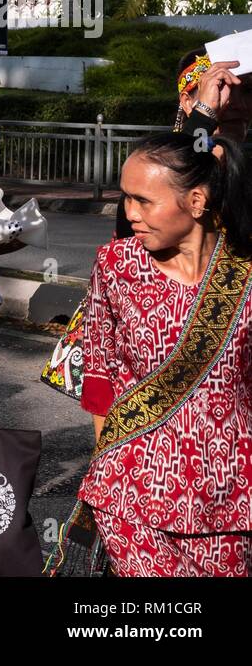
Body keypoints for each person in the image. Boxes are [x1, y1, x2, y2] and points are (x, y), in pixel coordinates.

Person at [74, 133, 252, 576]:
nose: (129, 213)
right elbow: (99, 370)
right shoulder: (116, 264)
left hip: (229, 495)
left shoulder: (245, 273)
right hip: (130, 489)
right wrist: (106, 469)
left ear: (196, 201)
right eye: (124, 198)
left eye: (143, 201)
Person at [114, 49, 248, 239]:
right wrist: (203, 117)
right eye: (220, 88)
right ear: (187, 102)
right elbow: (130, 235)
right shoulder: (154, 169)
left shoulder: (243, 168)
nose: (240, 105)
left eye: (248, 91)